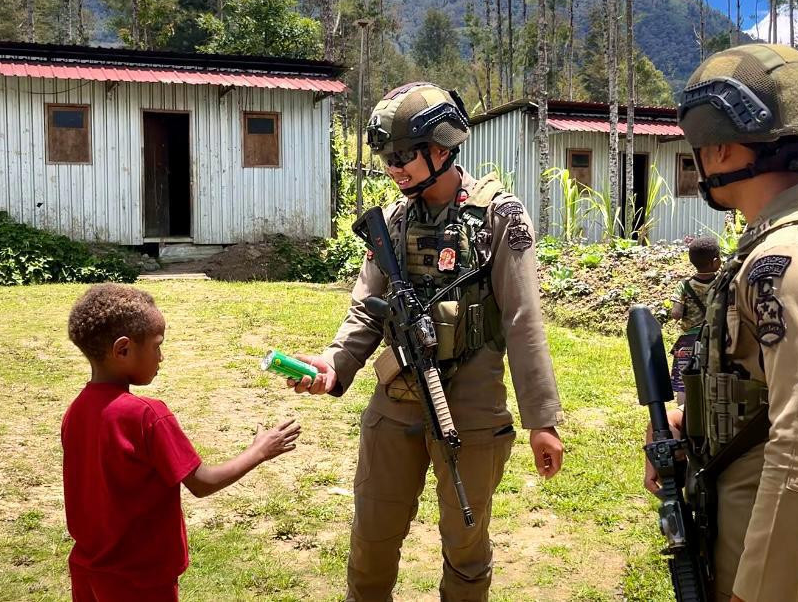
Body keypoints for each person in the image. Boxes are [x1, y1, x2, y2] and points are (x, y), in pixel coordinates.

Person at [288, 82, 565, 601]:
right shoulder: (391, 222)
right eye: (386, 158)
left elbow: (525, 319)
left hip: (472, 406)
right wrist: (332, 363)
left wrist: (541, 421)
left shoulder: (499, 218)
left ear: (441, 147)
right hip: (396, 398)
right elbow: (365, 309)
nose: (393, 168)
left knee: (465, 546)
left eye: (402, 156)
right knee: (371, 539)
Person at [646, 45, 798, 602]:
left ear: (717, 147)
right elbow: (760, 390)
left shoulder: (792, 261)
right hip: (742, 537)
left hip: (777, 572)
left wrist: (758, 590)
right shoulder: (772, 245)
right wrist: (684, 417)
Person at [63, 283, 301, 601]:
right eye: (157, 346)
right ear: (123, 350)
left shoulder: (75, 411)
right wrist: (260, 450)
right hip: (141, 580)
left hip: (89, 571)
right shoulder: (147, 416)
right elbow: (202, 483)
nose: (161, 356)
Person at [669, 236, 721, 406]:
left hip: (687, 341)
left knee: (683, 384)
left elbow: (676, 313)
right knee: (713, 378)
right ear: (716, 261)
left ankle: (683, 417)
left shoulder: (684, 285)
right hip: (714, 339)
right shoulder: (722, 282)